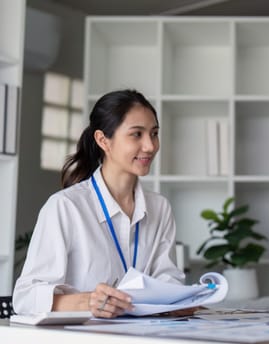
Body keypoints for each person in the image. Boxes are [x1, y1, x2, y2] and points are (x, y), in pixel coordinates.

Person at [13, 89, 187, 318]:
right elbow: (25, 298)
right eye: (137, 134)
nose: (150, 146)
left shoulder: (160, 208)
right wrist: (88, 302)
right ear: (103, 140)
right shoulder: (65, 207)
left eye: (154, 134)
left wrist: (178, 299)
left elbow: (168, 279)